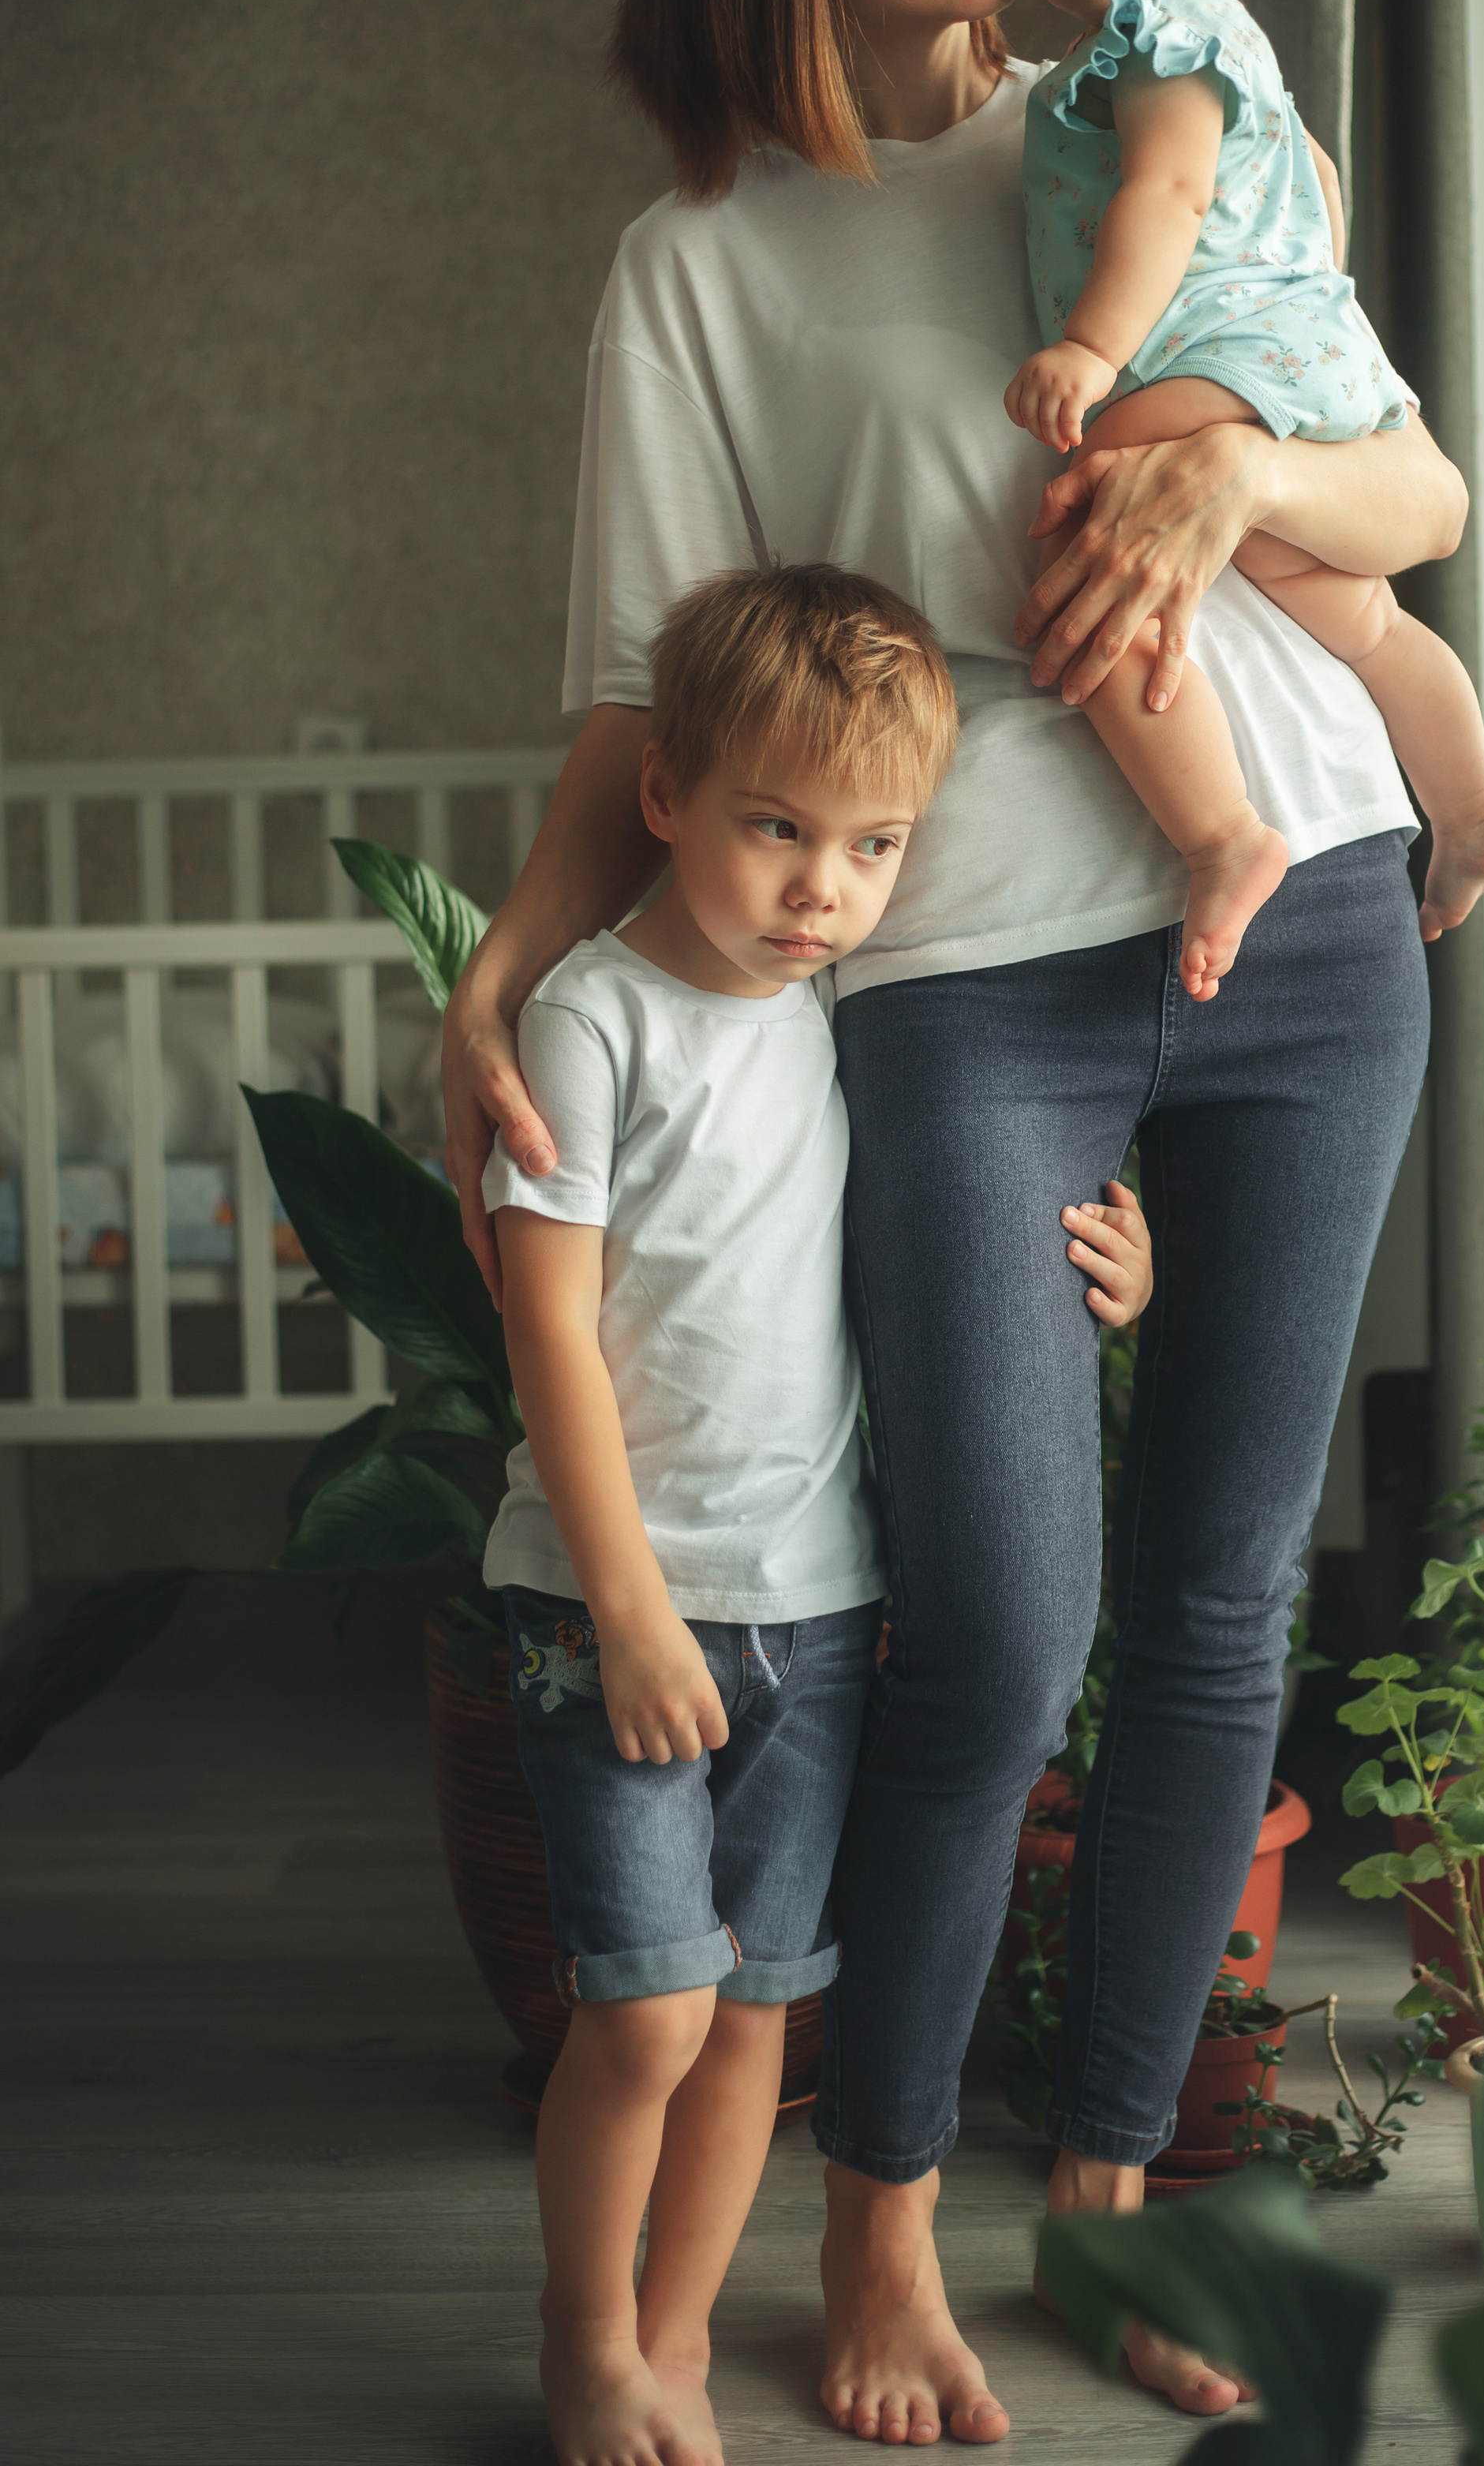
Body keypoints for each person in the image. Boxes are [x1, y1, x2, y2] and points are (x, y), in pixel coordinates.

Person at [444, 0, 1470, 2442]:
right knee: (1002, 1631)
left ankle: (1117, 2196)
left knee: (1226, 1601)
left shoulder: (1131, 128)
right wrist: (501, 980)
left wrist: (1239, 472)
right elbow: (630, 729)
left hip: (1317, 918)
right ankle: (879, 2225)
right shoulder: (701, 270)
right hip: (966, 988)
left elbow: (1421, 489)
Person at [486, 559, 1155, 2466]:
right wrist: (618, 1606)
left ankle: (675, 2348)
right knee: (645, 2014)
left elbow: (966, 1206)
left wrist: (1109, 1263)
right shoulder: (592, 1020)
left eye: (871, 847)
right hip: (612, 1607)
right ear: (666, 797)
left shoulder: (852, 1015)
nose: (821, 889)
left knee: (759, 2014)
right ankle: (581, 2340)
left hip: (814, 1612)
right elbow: (544, 1318)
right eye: (778, 830)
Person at [1002, 0, 1484, 999]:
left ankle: (1222, 834)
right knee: (1360, 618)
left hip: (1207, 358)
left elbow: (1168, 200)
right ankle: (1466, 805)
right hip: (1305, 364)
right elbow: (1311, 204)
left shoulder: (1159, 35)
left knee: (1089, 562)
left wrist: (1087, 346)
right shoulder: (1237, 44)